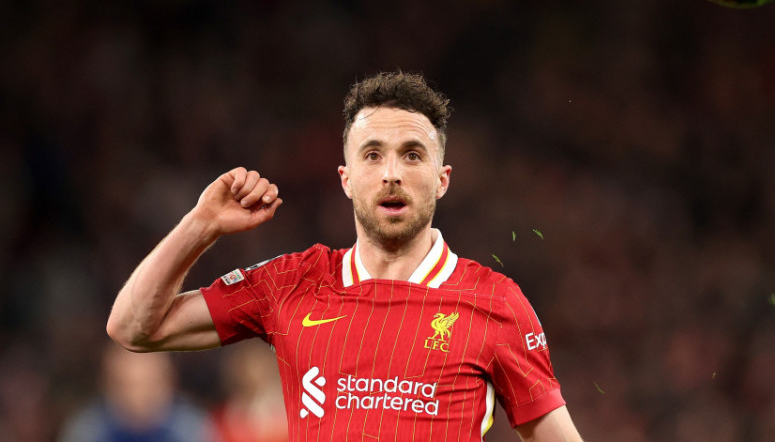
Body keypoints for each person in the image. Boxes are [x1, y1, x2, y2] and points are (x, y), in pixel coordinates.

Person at [107, 70, 584, 442]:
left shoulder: (496, 303)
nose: (392, 173)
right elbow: (132, 326)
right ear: (346, 178)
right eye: (372, 155)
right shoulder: (291, 283)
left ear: (442, 180)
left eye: (413, 154)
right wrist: (201, 225)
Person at [58, 342, 216, 442]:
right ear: (107, 385)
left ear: (169, 382)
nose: (139, 398)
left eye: (150, 384)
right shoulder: (88, 431)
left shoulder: (191, 429)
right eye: (127, 385)